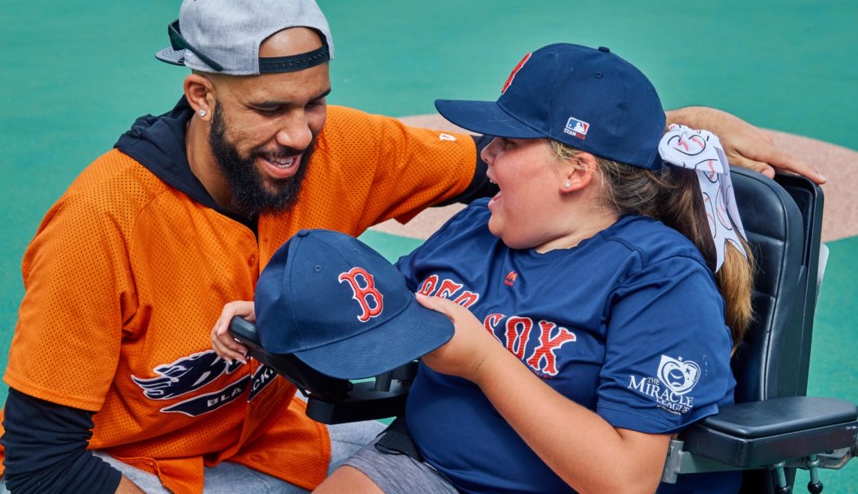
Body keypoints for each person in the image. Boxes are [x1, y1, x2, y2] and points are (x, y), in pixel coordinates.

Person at [0, 0, 819, 490]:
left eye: (316, 103)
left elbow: (567, 164)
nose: (302, 136)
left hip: (279, 440)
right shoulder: (102, 219)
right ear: (199, 97)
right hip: (135, 468)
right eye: (271, 110)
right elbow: (42, 462)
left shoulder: (626, 258)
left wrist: (681, 132)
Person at [301, 43, 745, 493]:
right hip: (422, 467)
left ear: (576, 172)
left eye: (508, 143)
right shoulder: (480, 225)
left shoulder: (660, 278)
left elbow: (626, 481)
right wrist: (294, 309)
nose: (486, 154)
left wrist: (485, 363)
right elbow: (383, 305)